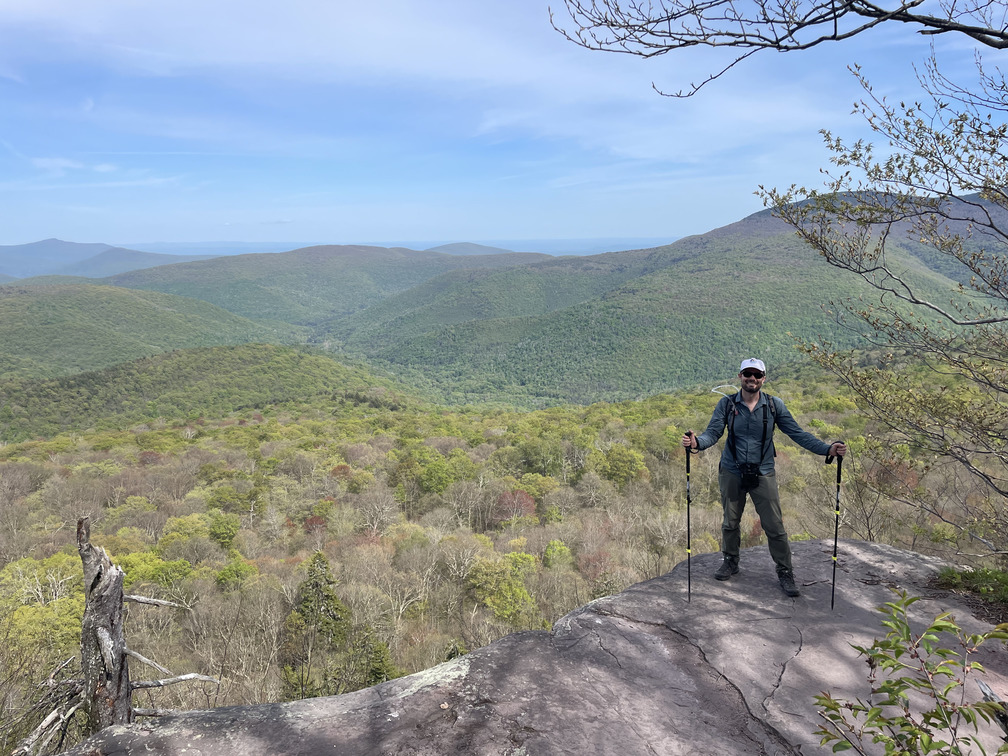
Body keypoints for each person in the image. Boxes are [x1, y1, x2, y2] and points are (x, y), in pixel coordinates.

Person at [681, 358, 846, 597]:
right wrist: (696, 443)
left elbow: (797, 433)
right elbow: (713, 433)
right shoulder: (727, 404)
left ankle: (785, 571)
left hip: (763, 471)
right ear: (740, 376)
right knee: (730, 521)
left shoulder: (773, 405)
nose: (752, 379)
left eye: (757, 375)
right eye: (748, 374)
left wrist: (827, 449)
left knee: (774, 525)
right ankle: (730, 561)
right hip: (732, 470)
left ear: (763, 378)